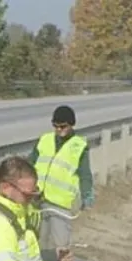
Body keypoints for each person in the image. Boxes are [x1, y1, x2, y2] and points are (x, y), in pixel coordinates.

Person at [28, 105, 95, 252]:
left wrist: (87, 194)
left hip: (60, 204)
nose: (59, 130)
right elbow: (30, 165)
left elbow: (85, 174)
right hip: (38, 200)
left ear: (71, 125)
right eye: (55, 126)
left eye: (63, 126)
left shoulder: (79, 146)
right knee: (38, 242)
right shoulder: (44, 140)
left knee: (61, 244)